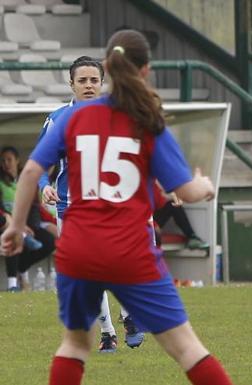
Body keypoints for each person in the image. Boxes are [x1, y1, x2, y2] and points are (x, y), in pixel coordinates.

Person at [0, 29, 233, 385]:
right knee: (187, 349)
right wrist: (205, 185)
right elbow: (185, 190)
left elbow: (31, 170)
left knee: (75, 346)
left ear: (107, 68)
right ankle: (121, 326)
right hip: (129, 246)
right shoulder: (147, 119)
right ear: (147, 70)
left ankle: (119, 326)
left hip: (79, 247)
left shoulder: (73, 118)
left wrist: (15, 227)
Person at [37, 56, 144, 353]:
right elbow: (37, 166)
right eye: (82, 80)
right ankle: (108, 332)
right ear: (71, 84)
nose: (88, 85)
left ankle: (129, 314)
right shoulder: (57, 120)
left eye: (93, 80)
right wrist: (44, 186)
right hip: (69, 208)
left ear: (102, 83)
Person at [0, 146, 56, 292]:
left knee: (49, 241)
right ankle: (13, 284)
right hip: (6, 224)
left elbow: (34, 206)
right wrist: (16, 224)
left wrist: (30, 225)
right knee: (14, 235)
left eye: (9, 159)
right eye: (3, 160)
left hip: (26, 224)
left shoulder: (25, 180)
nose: (6, 163)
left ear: (17, 161)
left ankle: (22, 268)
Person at [152, 181, 209, 250]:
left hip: (151, 221)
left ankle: (191, 236)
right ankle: (191, 236)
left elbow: (159, 200)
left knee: (173, 204)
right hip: (143, 224)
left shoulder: (152, 182)